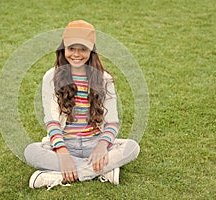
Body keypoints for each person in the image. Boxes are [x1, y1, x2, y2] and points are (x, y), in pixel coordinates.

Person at [24, 20, 140, 190]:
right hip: (65, 144)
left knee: (132, 147)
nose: (76, 54)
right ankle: (101, 171)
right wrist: (63, 154)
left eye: (83, 49)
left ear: (92, 51)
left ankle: (57, 176)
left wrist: (101, 147)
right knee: (30, 151)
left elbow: (113, 122)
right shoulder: (51, 77)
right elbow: (52, 121)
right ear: (63, 49)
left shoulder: (104, 78)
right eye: (71, 48)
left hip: (95, 143)